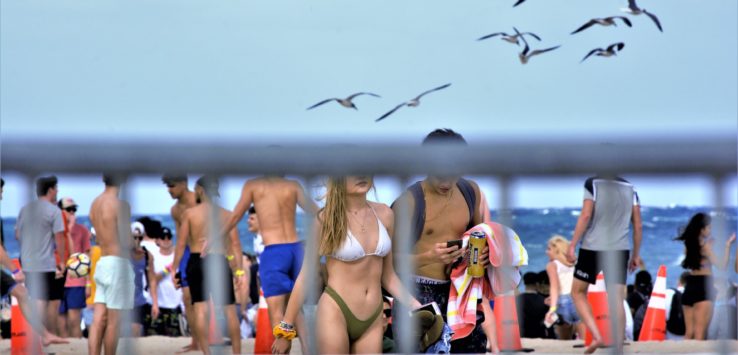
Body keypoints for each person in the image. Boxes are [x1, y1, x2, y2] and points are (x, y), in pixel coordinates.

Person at [273, 176, 421, 354]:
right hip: (335, 311)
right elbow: (306, 276)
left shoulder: (385, 214)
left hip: (372, 316)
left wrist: (416, 306)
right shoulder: (324, 219)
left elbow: (388, 276)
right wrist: (285, 329)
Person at [390, 129, 496, 353]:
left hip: (461, 292)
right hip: (418, 293)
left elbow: (478, 236)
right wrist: (428, 257)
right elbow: (387, 265)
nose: (446, 181)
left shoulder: (470, 192)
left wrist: (483, 255)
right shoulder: (408, 203)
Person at [221, 173, 319, 353]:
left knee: (277, 313)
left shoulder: (253, 185)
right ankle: (307, 350)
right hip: (297, 250)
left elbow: (235, 216)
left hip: (274, 252)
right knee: (297, 310)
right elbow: (318, 213)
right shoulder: (293, 185)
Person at [566, 175, 642, 354]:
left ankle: (596, 335)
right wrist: (636, 255)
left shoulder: (592, 183)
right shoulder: (630, 188)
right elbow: (637, 225)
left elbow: (585, 215)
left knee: (577, 292)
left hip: (593, 246)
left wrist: (572, 245)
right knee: (616, 299)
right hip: (620, 249)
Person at [172, 176, 244, 355]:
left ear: (201, 191)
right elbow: (235, 245)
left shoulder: (189, 214)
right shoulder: (227, 214)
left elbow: (181, 245)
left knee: (200, 309)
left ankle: (207, 353)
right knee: (229, 311)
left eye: (196, 189)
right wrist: (239, 271)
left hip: (197, 261)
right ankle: (237, 353)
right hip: (219, 260)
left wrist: (174, 269)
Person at [87, 175, 135, 355]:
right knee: (114, 321)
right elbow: (127, 241)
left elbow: (99, 236)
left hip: (102, 263)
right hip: (117, 264)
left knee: (98, 318)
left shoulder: (95, 203)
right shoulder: (121, 205)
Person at [16, 175, 67, 336]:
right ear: (50, 190)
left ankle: (37, 336)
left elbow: (18, 234)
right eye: (56, 188)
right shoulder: (54, 211)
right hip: (45, 262)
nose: (58, 191)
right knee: (42, 301)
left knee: (35, 298)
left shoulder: (25, 209)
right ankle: (39, 337)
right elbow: (60, 238)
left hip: (27, 261)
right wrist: (63, 263)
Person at [675, 212, 735, 340]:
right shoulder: (705, 246)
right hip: (703, 287)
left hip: (689, 286)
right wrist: (728, 246)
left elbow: (694, 263)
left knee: (689, 333)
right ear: (702, 229)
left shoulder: (688, 245)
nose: (710, 230)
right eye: (709, 228)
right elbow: (721, 266)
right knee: (700, 333)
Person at [162, 174, 200, 352]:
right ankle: (195, 341)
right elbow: (180, 240)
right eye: (167, 186)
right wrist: (174, 267)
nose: (169, 190)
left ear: (184, 183)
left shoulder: (199, 200)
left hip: (205, 250)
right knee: (187, 298)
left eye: (172, 185)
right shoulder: (175, 210)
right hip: (186, 252)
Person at [56, 197, 92, 338]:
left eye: (74, 209)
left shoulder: (82, 230)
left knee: (74, 321)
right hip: (58, 280)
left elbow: (86, 259)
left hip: (76, 281)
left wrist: (88, 283)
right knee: (60, 322)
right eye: (68, 209)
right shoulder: (54, 230)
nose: (72, 212)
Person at [544, 235, 585, 340]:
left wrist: (552, 308)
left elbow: (555, 287)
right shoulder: (576, 263)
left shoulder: (552, 265)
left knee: (564, 342)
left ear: (557, 250)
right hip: (578, 301)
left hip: (563, 303)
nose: (546, 252)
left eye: (549, 249)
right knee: (585, 341)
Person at [149, 227, 182, 336]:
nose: (166, 240)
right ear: (157, 240)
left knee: (176, 336)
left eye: (169, 237)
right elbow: (153, 280)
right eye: (163, 238)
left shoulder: (179, 255)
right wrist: (168, 269)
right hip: (160, 304)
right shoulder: (154, 257)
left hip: (177, 305)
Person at [130, 222, 159, 336]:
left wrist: (155, 304)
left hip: (138, 300)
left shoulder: (147, 255)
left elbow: (152, 280)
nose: (137, 240)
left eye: (139, 237)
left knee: (135, 331)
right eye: (134, 237)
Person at [516, 272, 548, 338]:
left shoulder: (517, 299)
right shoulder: (543, 300)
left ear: (524, 283)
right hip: (539, 333)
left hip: (521, 333)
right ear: (537, 284)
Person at [664, 272, 688, 339]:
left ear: (679, 282)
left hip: (669, 336)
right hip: (688, 338)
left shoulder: (668, 293)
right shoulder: (698, 298)